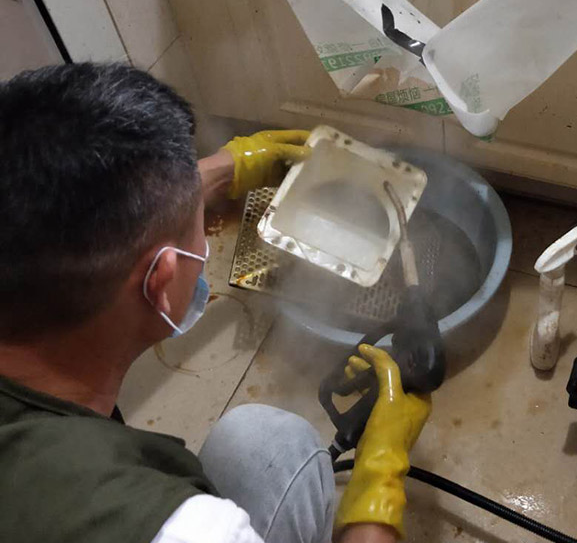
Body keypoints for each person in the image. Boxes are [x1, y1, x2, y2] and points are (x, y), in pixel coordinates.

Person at [0, 63, 431, 543]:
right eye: (198, 230)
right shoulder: (180, 529)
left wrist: (222, 170)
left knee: (262, 443)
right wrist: (379, 474)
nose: (204, 245)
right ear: (160, 281)